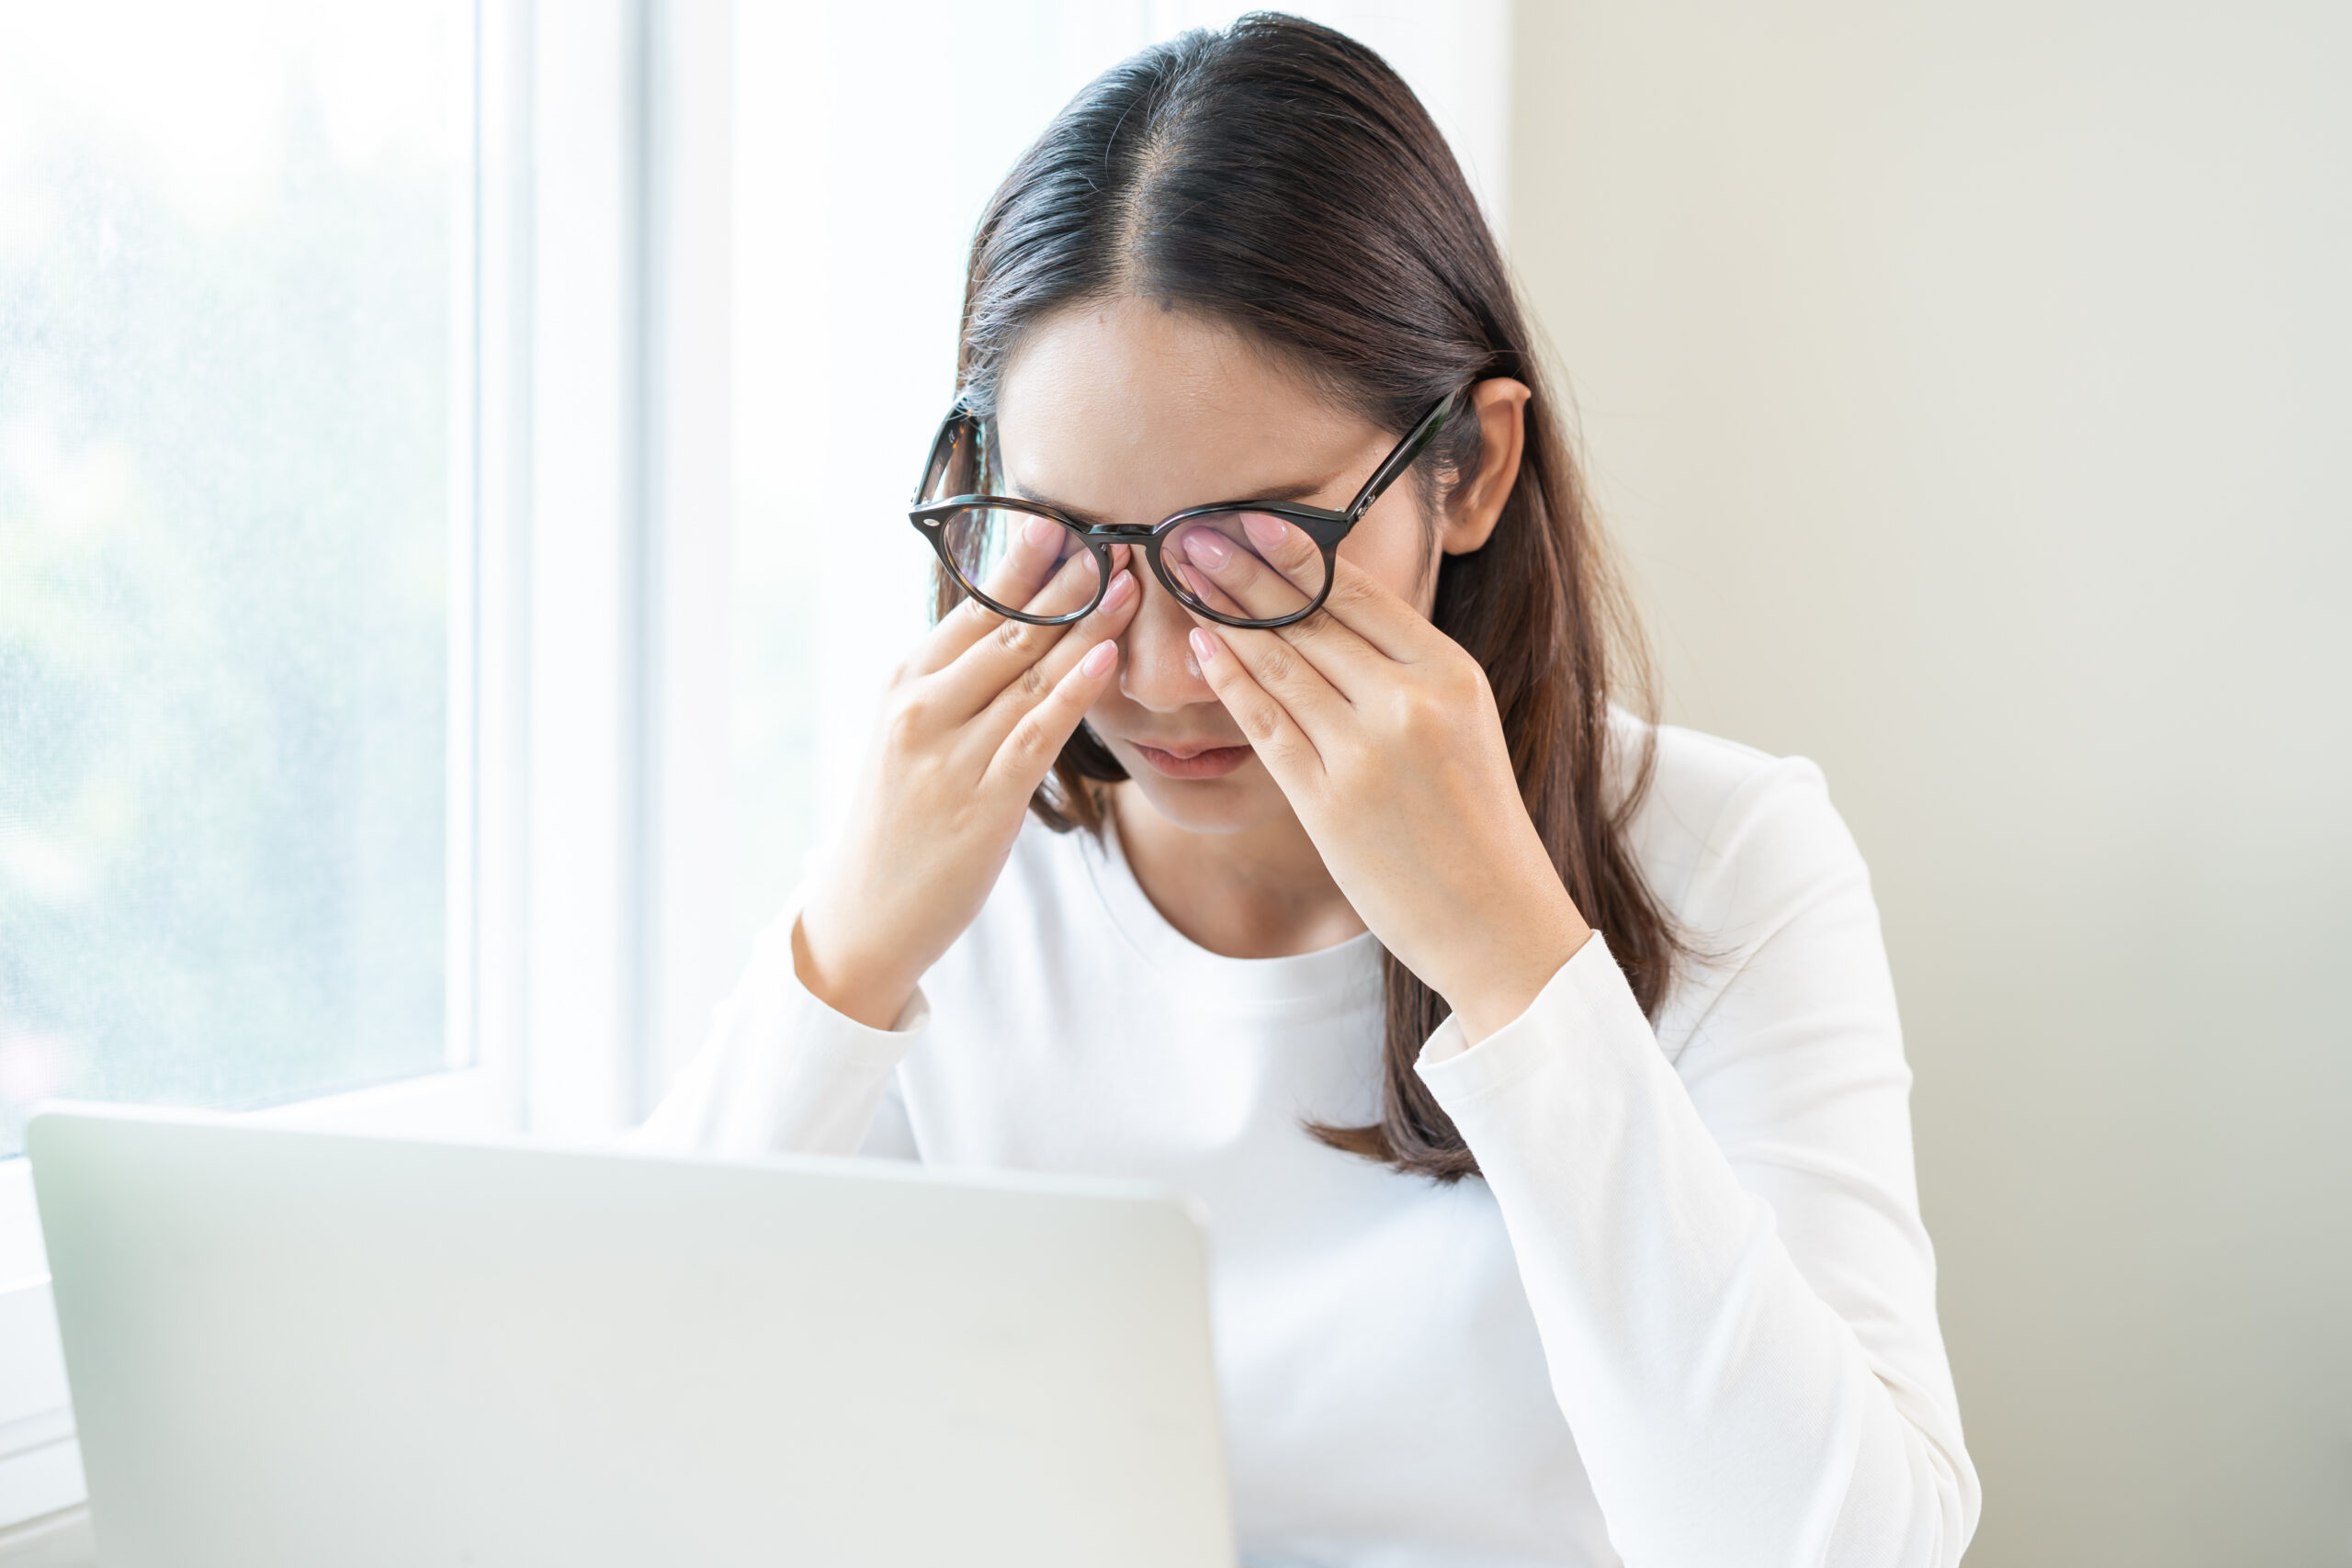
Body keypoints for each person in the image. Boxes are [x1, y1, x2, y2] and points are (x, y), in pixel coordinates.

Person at [639, 15, 1978, 1565]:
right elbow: (599, 1451)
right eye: (1075, 548)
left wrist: (1514, 965)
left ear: (1465, 471)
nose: (1159, 672)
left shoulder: (1728, 860)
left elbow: (1847, 1550)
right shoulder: (949, 885)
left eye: (1253, 550)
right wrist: (841, 968)